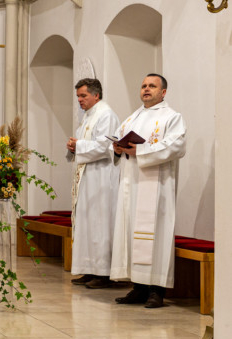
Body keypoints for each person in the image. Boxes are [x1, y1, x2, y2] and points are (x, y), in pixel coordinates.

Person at [110, 74, 186, 308]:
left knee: (156, 234)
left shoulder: (171, 117)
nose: (146, 89)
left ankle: (156, 291)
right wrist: (117, 148)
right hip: (131, 185)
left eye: (152, 86)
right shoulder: (132, 117)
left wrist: (140, 152)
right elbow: (119, 141)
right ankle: (138, 288)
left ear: (163, 92)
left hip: (156, 188)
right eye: (143, 85)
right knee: (132, 233)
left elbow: (177, 146)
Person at [66, 78, 120, 289]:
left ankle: (104, 273)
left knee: (100, 225)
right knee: (87, 223)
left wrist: (79, 145)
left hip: (101, 178)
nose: (80, 100)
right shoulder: (88, 116)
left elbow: (105, 146)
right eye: (78, 96)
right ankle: (89, 269)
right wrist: (73, 146)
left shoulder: (106, 115)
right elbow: (85, 145)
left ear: (96, 95)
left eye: (83, 95)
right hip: (87, 178)